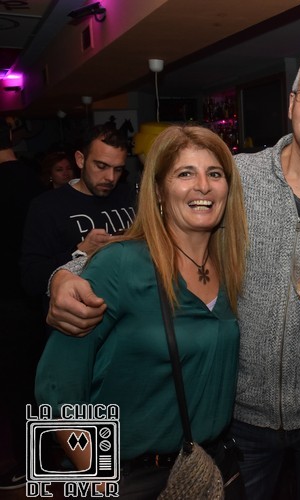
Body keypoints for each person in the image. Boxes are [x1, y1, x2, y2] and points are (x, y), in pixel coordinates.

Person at [46, 47, 300, 500]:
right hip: (235, 419)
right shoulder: (234, 177)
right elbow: (146, 237)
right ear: (292, 104)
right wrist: (64, 275)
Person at [36, 125, 248, 497]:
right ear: (160, 191)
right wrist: (102, 480)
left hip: (213, 468)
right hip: (135, 477)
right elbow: (56, 390)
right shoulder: (121, 265)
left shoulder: (232, 267)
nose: (203, 186)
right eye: (186, 173)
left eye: (214, 174)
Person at [20, 123, 135, 300]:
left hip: (131, 307)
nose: (111, 177)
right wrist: (80, 252)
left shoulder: (129, 195)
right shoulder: (47, 206)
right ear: (81, 160)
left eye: (118, 169)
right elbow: (31, 279)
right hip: (80, 312)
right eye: (101, 166)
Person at [0, 120, 43, 490]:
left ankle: (29, 465)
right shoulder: (35, 180)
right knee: (42, 380)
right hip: (40, 296)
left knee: (18, 385)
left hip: (10, 300)